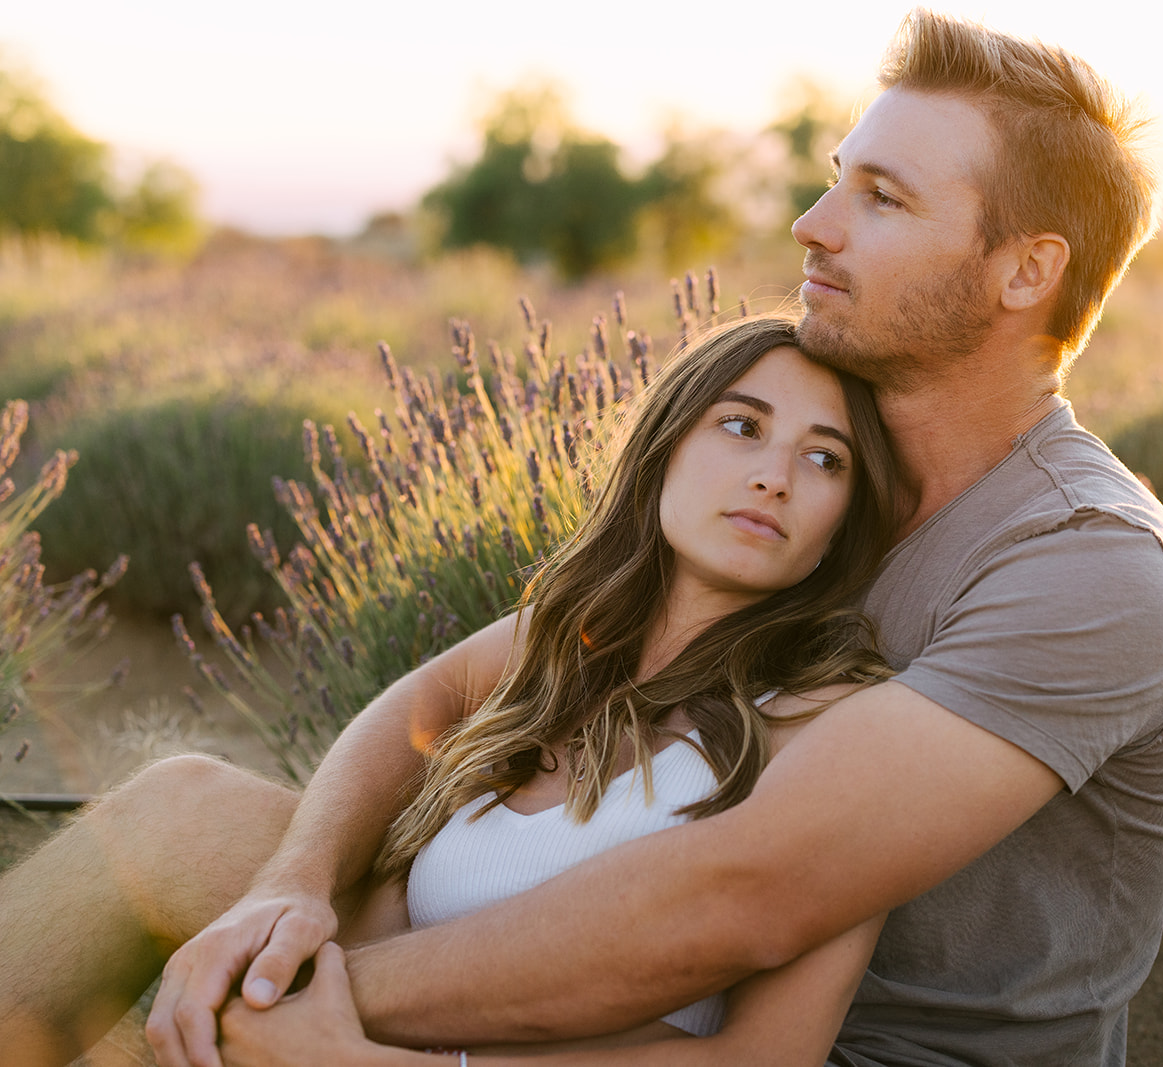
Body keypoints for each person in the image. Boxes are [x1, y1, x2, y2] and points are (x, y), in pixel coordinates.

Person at [11, 9, 1163, 1066]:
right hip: (635, 975)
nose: (811, 223)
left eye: (882, 198)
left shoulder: (1086, 564)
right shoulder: (815, 499)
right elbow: (443, 687)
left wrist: (293, 996)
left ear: (1025, 272)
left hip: (841, 1046)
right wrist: (287, 890)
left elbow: (734, 898)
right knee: (177, 817)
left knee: (216, 1012)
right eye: (837, 179)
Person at [0, 315, 900, 1066]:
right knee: (177, 804)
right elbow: (412, 707)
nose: (774, 476)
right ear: (664, 449)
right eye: (741, 426)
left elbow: (766, 1057)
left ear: (840, 526)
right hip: (374, 990)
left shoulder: (833, 720)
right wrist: (292, 883)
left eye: (826, 460)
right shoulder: (568, 633)